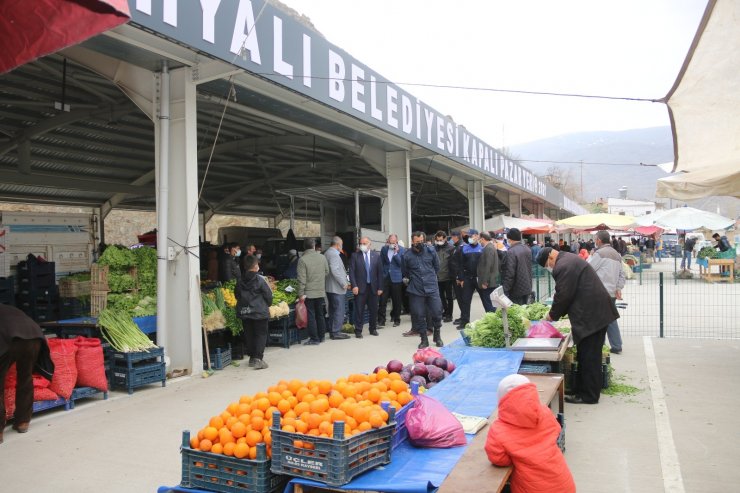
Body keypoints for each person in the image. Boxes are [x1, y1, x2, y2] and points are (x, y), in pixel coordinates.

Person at [537, 247, 619, 404]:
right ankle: (581, 389)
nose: (550, 268)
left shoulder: (563, 266)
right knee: (585, 354)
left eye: (548, 265)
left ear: (550, 257)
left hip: (593, 315)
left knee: (590, 356)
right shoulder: (567, 259)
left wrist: (551, 315)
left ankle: (589, 395)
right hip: (593, 313)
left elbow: (563, 295)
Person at [485, 374, 576, 493]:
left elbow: (498, 458)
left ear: (501, 400)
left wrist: (517, 457)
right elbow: (556, 429)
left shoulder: (499, 429)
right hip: (563, 485)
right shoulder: (544, 412)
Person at [0, 304, 55, 442]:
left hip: (12, 338)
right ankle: (23, 421)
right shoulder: (9, 309)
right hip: (34, 336)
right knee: (25, 378)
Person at [402, 231, 443, 348]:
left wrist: (429, 277)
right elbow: (405, 272)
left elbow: (437, 266)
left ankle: (437, 336)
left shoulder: (431, 251)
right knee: (419, 315)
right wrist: (415, 279)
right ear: (412, 241)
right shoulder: (407, 255)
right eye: (416, 242)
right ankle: (424, 339)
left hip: (431, 287)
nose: (419, 244)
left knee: (437, 312)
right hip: (416, 289)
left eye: (421, 242)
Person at [588, 230, 626, 354]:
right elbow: (622, 274)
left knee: (600, 320)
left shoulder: (599, 254)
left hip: (599, 292)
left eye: (595, 239)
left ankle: (604, 345)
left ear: (599, 240)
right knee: (609, 318)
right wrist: (618, 288)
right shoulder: (617, 254)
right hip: (611, 293)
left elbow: (588, 270)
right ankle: (615, 345)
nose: (594, 241)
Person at [235, 255, 272, 369]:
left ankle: (252, 358)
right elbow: (268, 296)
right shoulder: (260, 280)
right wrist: (267, 305)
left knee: (249, 335)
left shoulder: (240, 281)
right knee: (260, 335)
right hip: (259, 312)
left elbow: (237, 295)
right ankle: (257, 359)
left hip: (245, 312)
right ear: (255, 266)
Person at [455, 229, 495, 328]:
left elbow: (487, 264)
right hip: (467, 278)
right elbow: (459, 265)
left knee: (486, 300)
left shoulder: (483, 248)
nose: (470, 238)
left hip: (479, 278)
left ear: (477, 236)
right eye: (468, 236)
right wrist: (461, 278)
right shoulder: (463, 248)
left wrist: (486, 279)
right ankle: (464, 322)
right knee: (465, 301)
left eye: (472, 236)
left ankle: (491, 320)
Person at [348, 237, 384, 338]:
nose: (362, 245)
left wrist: (380, 287)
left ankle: (373, 329)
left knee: (373, 309)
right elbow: (351, 272)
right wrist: (354, 285)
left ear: (369, 244)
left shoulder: (376, 256)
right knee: (359, 310)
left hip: (373, 288)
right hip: (360, 288)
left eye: (364, 243)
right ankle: (358, 330)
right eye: (361, 243)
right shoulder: (355, 256)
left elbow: (380, 273)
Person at [297, 238, 330, 345]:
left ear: (304, 247)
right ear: (314, 246)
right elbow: (327, 271)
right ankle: (322, 337)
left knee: (311, 315)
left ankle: (314, 338)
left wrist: (301, 294)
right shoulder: (322, 257)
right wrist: (319, 280)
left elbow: (301, 279)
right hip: (320, 291)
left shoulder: (302, 260)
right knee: (320, 314)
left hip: (309, 293)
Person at [324, 236, 351, 340]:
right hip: (336, 288)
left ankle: (333, 331)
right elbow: (335, 270)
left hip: (330, 287)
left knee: (332, 310)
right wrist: (343, 283)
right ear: (338, 245)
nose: (342, 247)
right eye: (342, 244)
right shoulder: (334, 254)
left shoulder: (327, 253)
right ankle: (336, 332)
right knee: (339, 310)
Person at [378, 234, 405, 327]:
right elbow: (380, 262)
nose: (392, 244)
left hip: (396, 278)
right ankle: (381, 320)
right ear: (388, 241)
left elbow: (401, 264)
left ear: (396, 241)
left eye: (393, 242)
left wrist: (396, 253)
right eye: (390, 242)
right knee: (382, 300)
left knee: (396, 300)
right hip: (385, 277)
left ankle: (397, 319)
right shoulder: (384, 249)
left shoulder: (401, 250)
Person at [501, 228, 533, 305]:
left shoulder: (511, 252)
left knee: (517, 313)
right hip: (527, 286)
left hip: (516, 289)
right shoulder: (527, 249)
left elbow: (510, 273)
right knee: (525, 312)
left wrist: (505, 289)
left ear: (510, 239)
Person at [433, 230, 455, 323]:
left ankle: (449, 314)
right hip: (437, 277)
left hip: (448, 277)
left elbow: (454, 263)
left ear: (445, 239)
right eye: (437, 240)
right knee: (440, 296)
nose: (439, 242)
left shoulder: (451, 248)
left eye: (441, 240)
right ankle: (445, 312)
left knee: (449, 297)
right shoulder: (434, 248)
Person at [477, 232, 501, 300]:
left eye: (479, 239)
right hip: (490, 281)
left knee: (489, 304)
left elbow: (488, 266)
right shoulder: (489, 247)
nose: (479, 241)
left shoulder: (489, 248)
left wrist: (485, 282)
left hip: (489, 283)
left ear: (482, 239)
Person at [449, 230, 465, 324]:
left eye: (452, 237)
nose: (451, 239)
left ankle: (464, 317)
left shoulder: (461, 247)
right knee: (459, 298)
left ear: (456, 237)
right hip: (456, 276)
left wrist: (460, 277)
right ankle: (462, 316)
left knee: (461, 298)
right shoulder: (457, 247)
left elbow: (461, 264)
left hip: (459, 277)